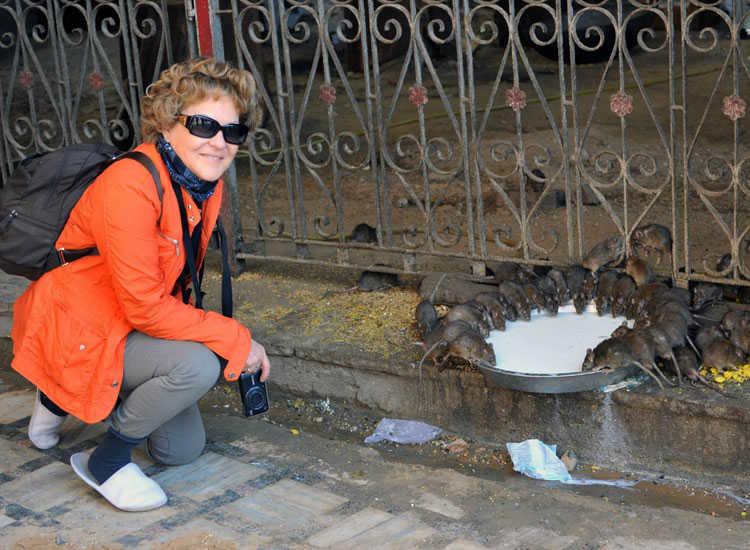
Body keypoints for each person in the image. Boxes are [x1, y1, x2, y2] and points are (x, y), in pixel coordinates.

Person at [10, 57, 270, 512]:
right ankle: (104, 460)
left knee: (179, 450)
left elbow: (166, 286)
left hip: (124, 323)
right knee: (198, 365)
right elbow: (146, 308)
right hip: (80, 326)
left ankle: (68, 391)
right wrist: (235, 338)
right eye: (205, 124)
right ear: (168, 123)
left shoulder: (202, 183)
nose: (219, 143)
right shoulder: (130, 182)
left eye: (233, 131)